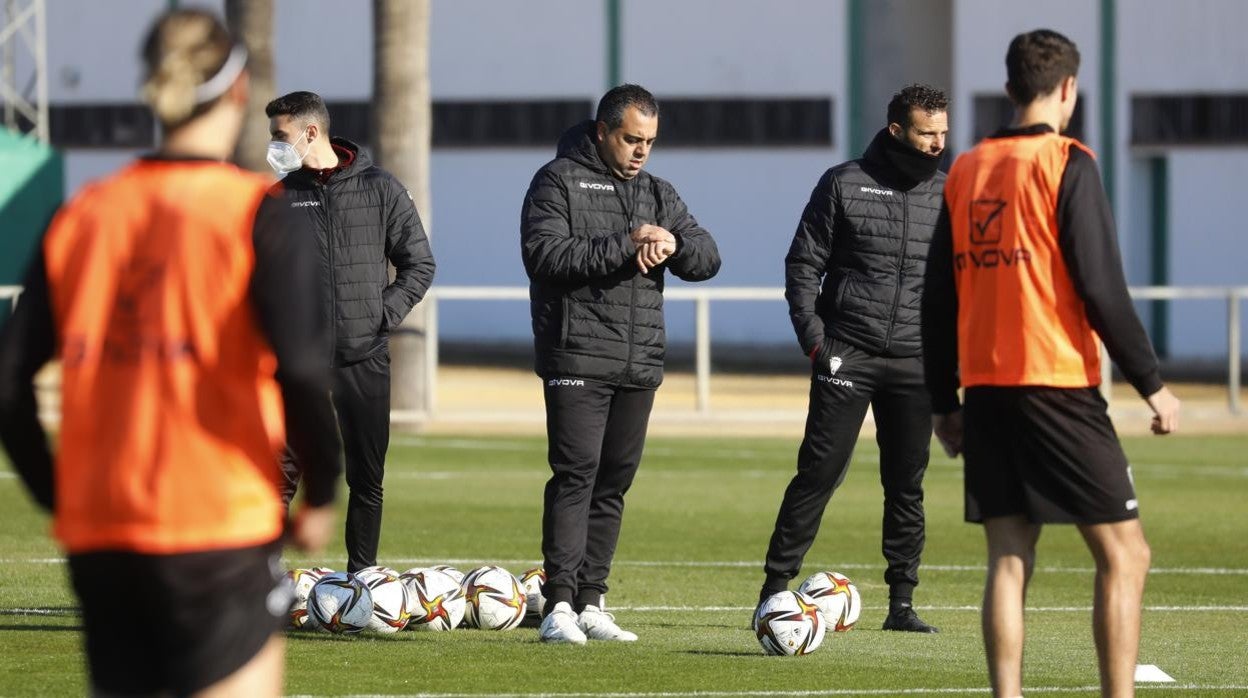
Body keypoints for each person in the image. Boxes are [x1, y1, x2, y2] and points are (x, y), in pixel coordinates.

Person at [0, 9, 342, 696]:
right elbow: (304, 369)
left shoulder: (85, 213)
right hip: (215, 524)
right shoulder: (252, 213)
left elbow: (8, 383)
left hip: (104, 532)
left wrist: (58, 492)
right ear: (239, 90)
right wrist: (322, 493)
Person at [922, 29, 1181, 698]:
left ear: (1009, 89)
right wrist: (1152, 384)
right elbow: (1101, 287)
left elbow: (937, 298)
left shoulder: (966, 169)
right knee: (1126, 554)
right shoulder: (1068, 162)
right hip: (1057, 384)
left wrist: (944, 402)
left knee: (1009, 556)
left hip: (986, 388)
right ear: (1068, 89)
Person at [521, 84, 721, 644]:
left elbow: (708, 257)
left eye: (650, 142)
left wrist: (673, 243)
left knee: (613, 484)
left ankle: (592, 602)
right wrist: (626, 243)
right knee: (575, 476)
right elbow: (545, 255)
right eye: (632, 139)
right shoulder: (556, 180)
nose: (641, 152)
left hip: (639, 360)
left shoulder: (660, 192)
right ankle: (558, 604)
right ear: (604, 131)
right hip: (577, 353)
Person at [759, 84, 949, 633]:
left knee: (907, 483)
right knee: (818, 474)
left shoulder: (951, 191)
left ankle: (902, 605)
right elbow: (802, 265)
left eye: (943, 132)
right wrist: (818, 342)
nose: (938, 143)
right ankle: (773, 592)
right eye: (926, 132)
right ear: (897, 131)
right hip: (848, 354)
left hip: (916, 363)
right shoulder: (844, 183)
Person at [261, 90, 436, 573]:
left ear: (310, 133)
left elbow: (419, 265)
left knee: (367, 477)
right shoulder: (279, 197)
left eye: (280, 135)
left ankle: (362, 579)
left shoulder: (381, 188)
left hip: (365, 357)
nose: (273, 145)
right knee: (278, 476)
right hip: (299, 364)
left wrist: (379, 314)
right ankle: (264, 583)